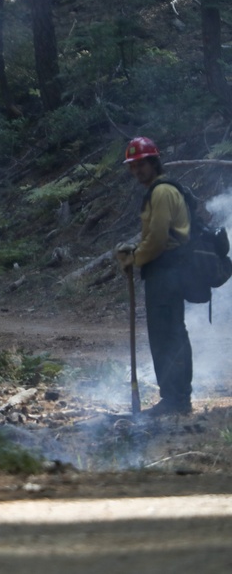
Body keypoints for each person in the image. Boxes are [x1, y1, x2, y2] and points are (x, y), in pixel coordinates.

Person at [115, 136, 193, 416]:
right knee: (171, 333)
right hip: (167, 269)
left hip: (166, 270)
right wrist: (136, 251)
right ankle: (177, 398)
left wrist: (133, 259)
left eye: (142, 164)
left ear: (153, 162)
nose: (137, 170)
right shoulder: (160, 191)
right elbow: (155, 236)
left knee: (166, 336)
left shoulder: (161, 192)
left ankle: (175, 401)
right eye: (133, 166)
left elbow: (159, 240)